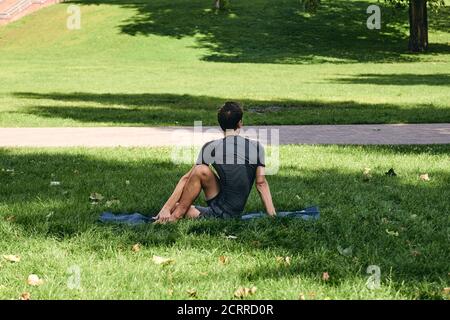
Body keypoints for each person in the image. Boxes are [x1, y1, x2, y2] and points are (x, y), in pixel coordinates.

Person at [156, 101, 276, 223]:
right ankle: (175, 214)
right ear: (240, 123)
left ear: (220, 124)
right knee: (200, 172)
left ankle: (175, 217)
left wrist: (166, 208)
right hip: (232, 209)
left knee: (199, 171)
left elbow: (187, 178)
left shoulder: (211, 147)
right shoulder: (256, 147)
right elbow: (261, 183)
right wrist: (273, 216)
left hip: (224, 212)